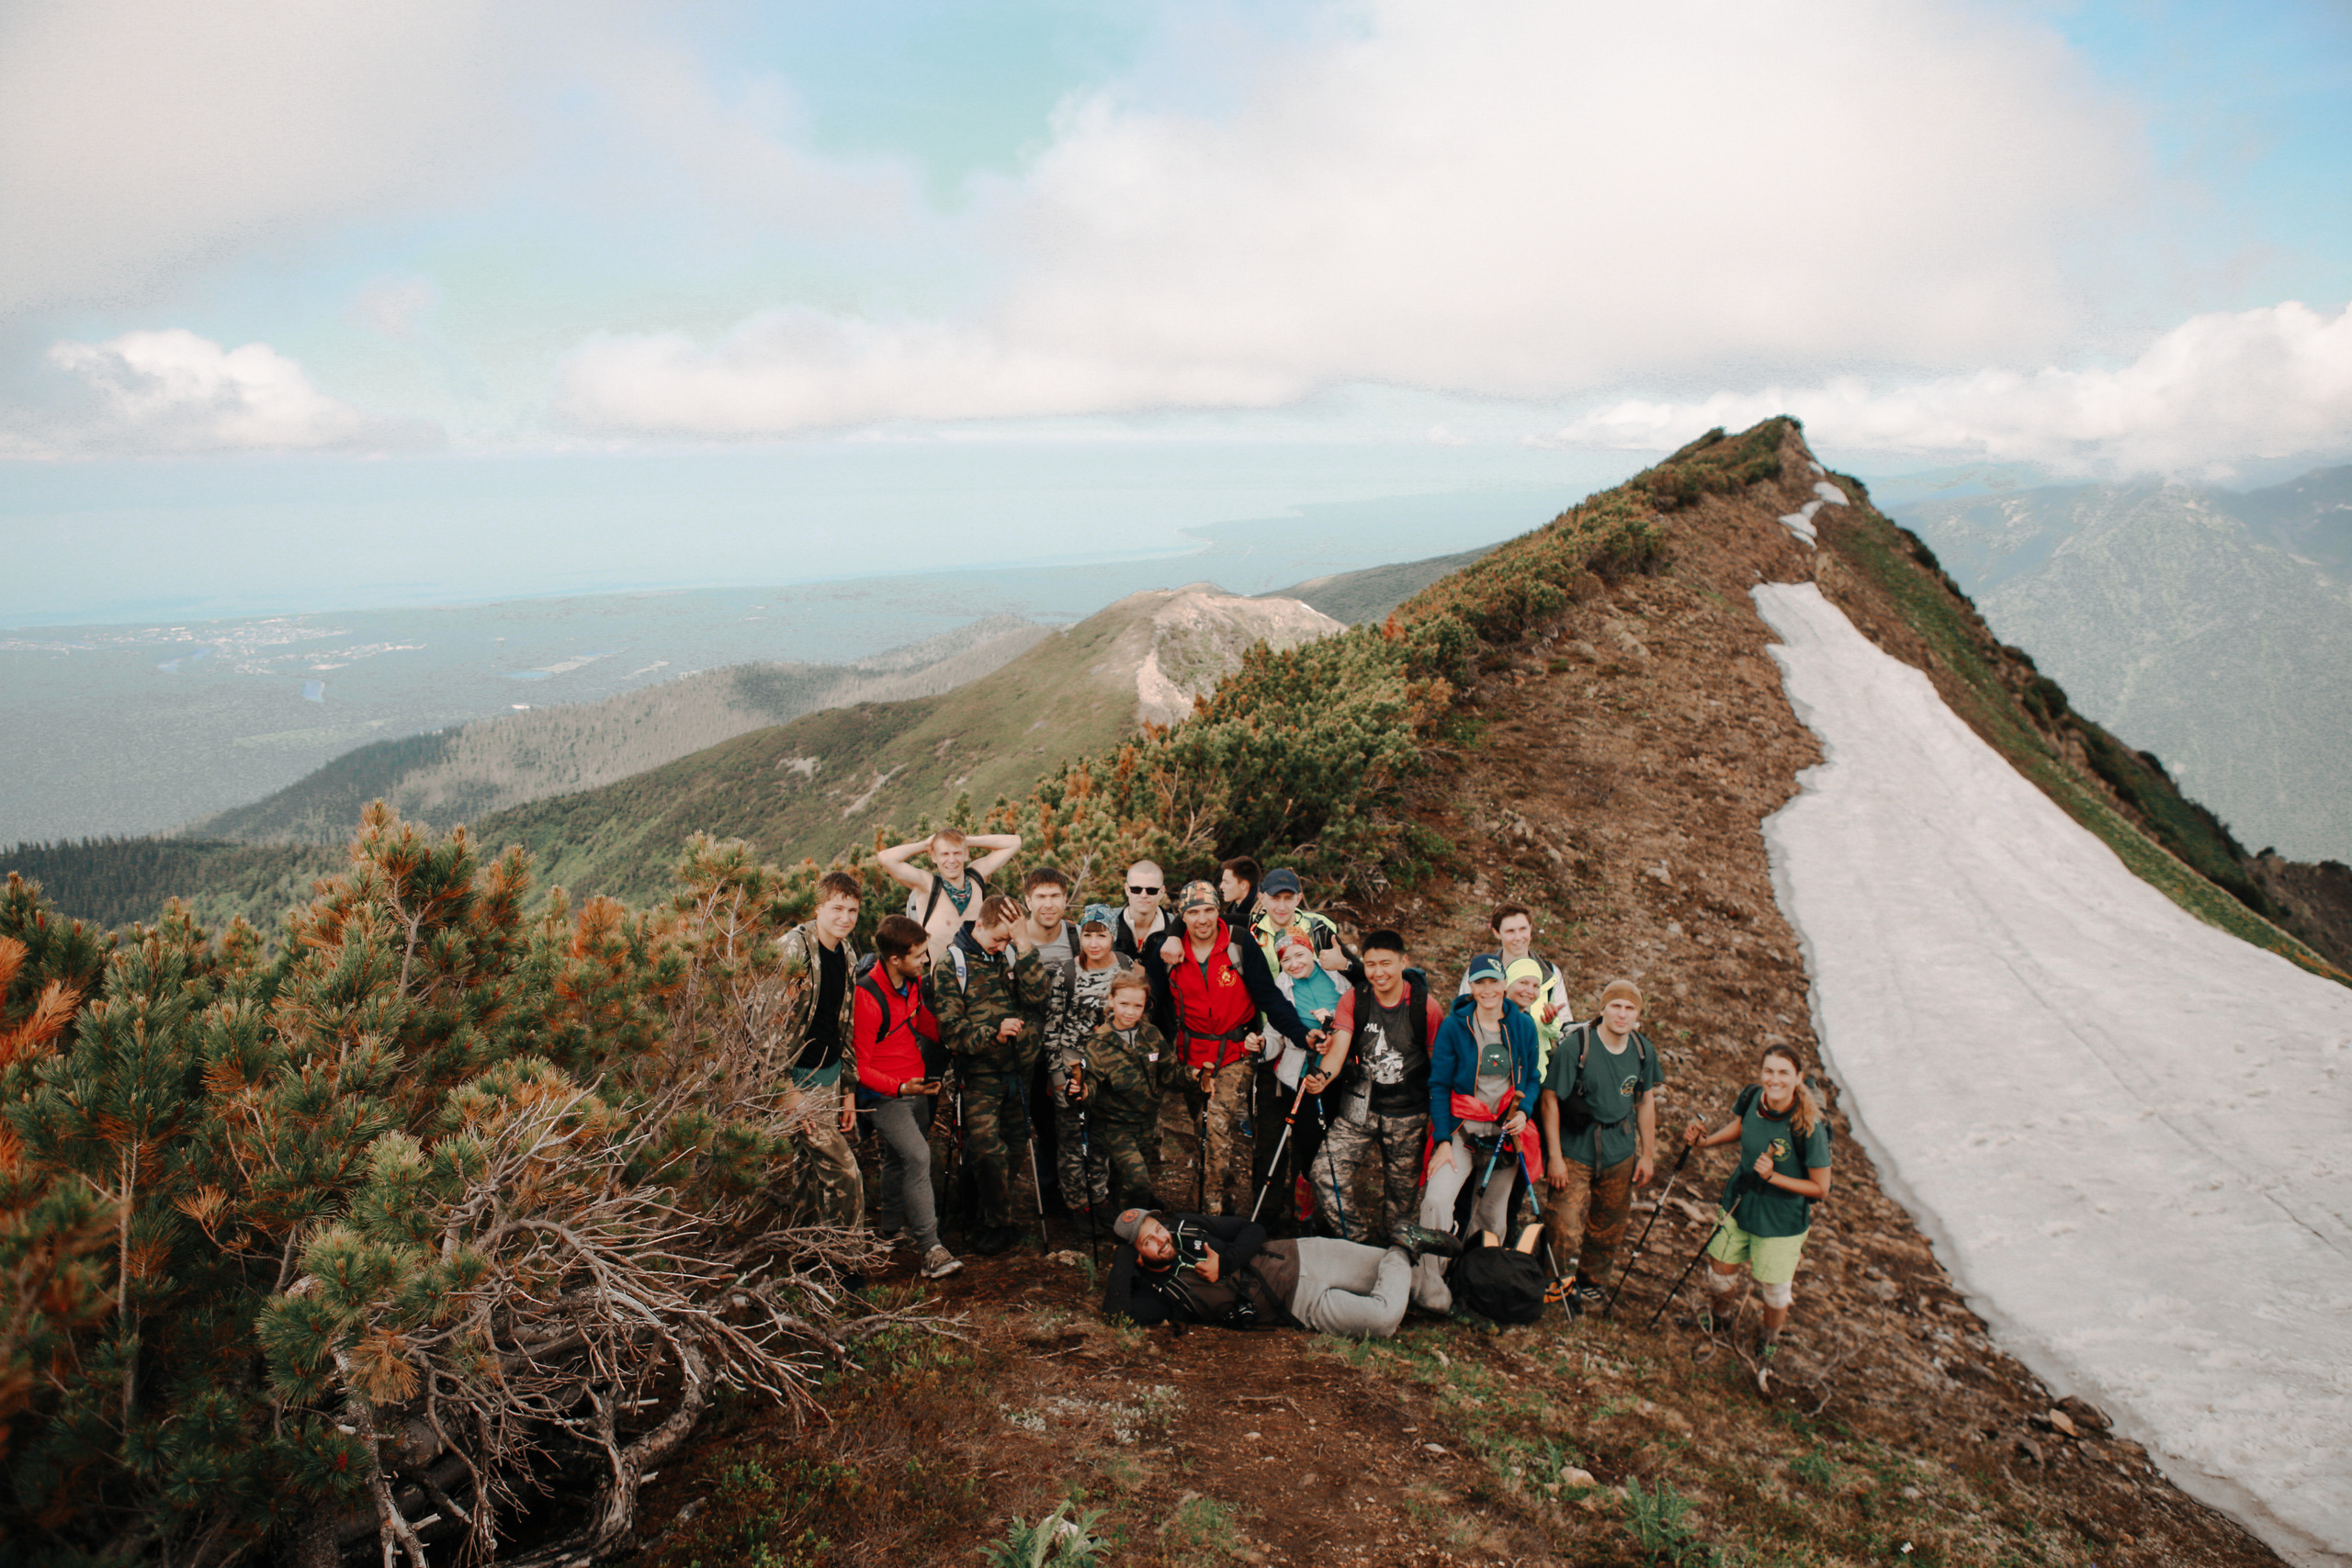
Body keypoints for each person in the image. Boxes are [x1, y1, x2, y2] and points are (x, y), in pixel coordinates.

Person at [1140, 882, 1319, 1217]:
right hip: (1190, 1053)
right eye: (1192, 913)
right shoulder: (1168, 950)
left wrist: (1300, 1033)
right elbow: (1149, 1001)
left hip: (1236, 1051)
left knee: (1217, 1126)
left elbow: (1268, 996)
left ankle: (1209, 1216)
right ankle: (1224, 1196)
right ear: (1182, 916)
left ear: (1218, 910)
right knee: (1204, 1132)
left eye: (1208, 910)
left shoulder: (1238, 943)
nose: (1202, 919)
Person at [1683, 1044, 1832, 1365]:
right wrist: (1705, 1143)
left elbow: (1821, 1188)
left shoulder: (1810, 1126)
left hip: (1782, 1219)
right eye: (1769, 1071)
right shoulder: (1753, 1097)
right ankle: (1720, 1321)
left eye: (1783, 1073)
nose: (1774, 1079)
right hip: (1739, 1200)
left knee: (1775, 1290)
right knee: (1719, 1272)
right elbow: (1740, 1128)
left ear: (1798, 1077)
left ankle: (1769, 1341)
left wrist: (1773, 1177)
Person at [1100, 1207, 1463, 1338]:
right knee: (1384, 1319)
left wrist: (1224, 1263)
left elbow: (1252, 1229)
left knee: (1430, 1294)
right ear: (1137, 1256)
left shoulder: (1186, 1227)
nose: (1162, 1240)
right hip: (1301, 1304)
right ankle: (1402, 1245)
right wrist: (1122, 1258)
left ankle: (1466, 1298)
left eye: (1158, 1229)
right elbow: (1117, 1316)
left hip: (1305, 1255)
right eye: (1149, 1242)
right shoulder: (1160, 1291)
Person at [928, 893, 1056, 1256]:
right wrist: (994, 1035)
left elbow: (1038, 995)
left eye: (1008, 939)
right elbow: (951, 1030)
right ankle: (998, 1223)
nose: (1002, 946)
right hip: (981, 1073)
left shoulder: (1014, 952)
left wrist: (1023, 942)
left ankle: (992, 1212)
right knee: (986, 1150)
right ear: (978, 924)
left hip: (1020, 1070)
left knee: (1016, 1146)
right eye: (997, 938)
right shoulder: (951, 964)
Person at [1415, 955, 1544, 1312]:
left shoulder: (1522, 1026)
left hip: (1503, 1136)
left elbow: (1532, 1078)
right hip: (1462, 1131)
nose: (1487, 990)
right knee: (1437, 1201)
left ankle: (1473, 1287)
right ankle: (1430, 1283)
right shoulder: (1455, 1027)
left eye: (1493, 982)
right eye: (1479, 983)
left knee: (1492, 1219)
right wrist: (1442, 1139)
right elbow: (1439, 1085)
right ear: (1470, 987)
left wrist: (1524, 1112)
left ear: (1504, 985)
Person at [1302, 930, 1446, 1244]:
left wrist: (1439, 1120)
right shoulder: (1354, 999)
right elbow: (1338, 1050)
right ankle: (1358, 1242)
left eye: (1386, 963)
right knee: (1324, 1172)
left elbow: (1439, 1069)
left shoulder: (1426, 1008)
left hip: (1408, 1114)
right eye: (1370, 965)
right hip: (1359, 1108)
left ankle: (1393, 1255)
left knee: (1401, 1201)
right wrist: (1322, 1078)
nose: (1378, 972)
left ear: (1403, 962)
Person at [1537, 978, 1662, 1314]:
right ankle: (1556, 1283)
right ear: (1603, 1008)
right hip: (1575, 1150)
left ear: (1638, 1014)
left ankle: (1591, 1284)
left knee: (1609, 1222)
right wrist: (1555, 1157)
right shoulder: (1576, 1047)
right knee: (1563, 1220)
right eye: (1616, 1006)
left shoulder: (1642, 1050)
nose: (1622, 1014)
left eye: (1630, 1008)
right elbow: (1550, 1100)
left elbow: (1645, 1101)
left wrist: (1647, 1154)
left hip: (1620, 1150)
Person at [852, 914, 963, 1280]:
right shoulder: (867, 998)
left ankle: (890, 1228)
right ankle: (931, 1247)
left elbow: (918, 1020)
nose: (925, 962)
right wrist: (899, 1089)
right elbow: (860, 1067)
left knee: (897, 1159)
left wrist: (956, 1038)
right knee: (918, 1157)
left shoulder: (911, 984)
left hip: (916, 1086)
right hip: (886, 1096)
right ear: (895, 959)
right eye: (918, 956)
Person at [770, 870, 865, 1239]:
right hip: (795, 1082)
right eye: (837, 908)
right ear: (818, 908)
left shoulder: (848, 953)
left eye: (852, 910)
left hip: (829, 1076)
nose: (845, 917)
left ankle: (807, 1251)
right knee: (844, 1171)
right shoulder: (792, 951)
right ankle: (847, 1259)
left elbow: (845, 1025)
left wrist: (849, 1090)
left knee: (807, 1171)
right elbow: (766, 1026)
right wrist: (785, 1090)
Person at [1046, 906, 1139, 1217]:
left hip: (1110, 1070)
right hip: (1074, 1066)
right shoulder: (1067, 973)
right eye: (1087, 935)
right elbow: (1053, 1028)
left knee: (1101, 1138)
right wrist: (1058, 1076)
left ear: (1113, 935)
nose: (1094, 943)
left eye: (1102, 935)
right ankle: (1077, 1204)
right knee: (1073, 1141)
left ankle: (1099, 1199)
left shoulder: (1126, 966)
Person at [1066, 971, 1176, 1213]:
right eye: (1124, 1003)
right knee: (1138, 1180)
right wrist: (1081, 1090)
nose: (1130, 1011)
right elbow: (1091, 1082)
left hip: (1145, 1123)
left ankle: (1132, 1227)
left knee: (1133, 1183)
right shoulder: (1099, 1043)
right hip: (1116, 1126)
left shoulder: (1152, 1035)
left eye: (1138, 1005)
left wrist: (1195, 1078)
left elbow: (1169, 1073)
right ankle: (1128, 1233)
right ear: (1111, 1000)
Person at [1256, 933, 1344, 1229]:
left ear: (1312, 952)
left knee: (1337, 1144)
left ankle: (1334, 1208)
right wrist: (1261, 1046)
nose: (1294, 964)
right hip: (1304, 1075)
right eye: (1285, 959)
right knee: (1310, 1145)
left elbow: (1357, 1013)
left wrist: (1332, 1020)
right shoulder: (1282, 987)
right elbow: (1274, 1034)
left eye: (1300, 955)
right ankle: (1304, 1210)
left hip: (1343, 1074)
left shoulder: (1337, 978)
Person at [1020, 866, 1081, 1218]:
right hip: (1026, 1048)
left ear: (1065, 898)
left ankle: (1063, 1193)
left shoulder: (1075, 936)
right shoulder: (1015, 939)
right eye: (1040, 897)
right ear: (1028, 901)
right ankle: (1038, 1194)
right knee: (1031, 1122)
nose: (1048, 904)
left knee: (1062, 1122)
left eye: (1055, 896)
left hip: (1066, 1047)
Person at [876, 827, 1023, 960]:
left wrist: (967, 841)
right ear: (934, 857)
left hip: (981, 979)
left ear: (966, 854)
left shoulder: (976, 877)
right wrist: (926, 845)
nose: (951, 860)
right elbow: (886, 858)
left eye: (957, 853)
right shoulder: (927, 885)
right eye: (945, 854)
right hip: (944, 983)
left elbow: (1014, 842)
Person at [1458, 904, 1570, 1032]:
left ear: (1531, 929)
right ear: (1496, 933)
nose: (1518, 937)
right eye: (1510, 931)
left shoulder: (1550, 973)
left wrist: (1551, 1023)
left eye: (1523, 929)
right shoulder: (1477, 973)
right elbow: (1462, 1023)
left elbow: (1565, 1027)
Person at [1110, 858, 1175, 1040]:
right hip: (1112, 1029)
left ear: (1162, 892)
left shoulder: (1176, 929)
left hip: (1161, 1030)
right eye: (1136, 889)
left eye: (1152, 890)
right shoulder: (1107, 925)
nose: (1143, 895)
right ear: (1126, 889)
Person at [1250, 868, 1355, 976]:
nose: (1281, 907)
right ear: (1261, 898)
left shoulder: (1318, 930)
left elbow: (1361, 974)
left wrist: (1345, 964)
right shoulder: (1250, 928)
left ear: (1299, 899)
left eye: (1288, 898)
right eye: (1275, 898)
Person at [1505, 957, 1568, 1077]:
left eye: (1536, 986)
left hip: (1534, 1081)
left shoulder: (1529, 1021)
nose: (1529, 990)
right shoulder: (1490, 1017)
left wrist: (1549, 1023)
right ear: (1507, 984)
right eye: (1523, 983)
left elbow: (1556, 1034)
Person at [1217, 855, 1262, 931]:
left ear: (1243, 885)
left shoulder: (1263, 913)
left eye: (1227, 882)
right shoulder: (1232, 908)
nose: (1221, 886)